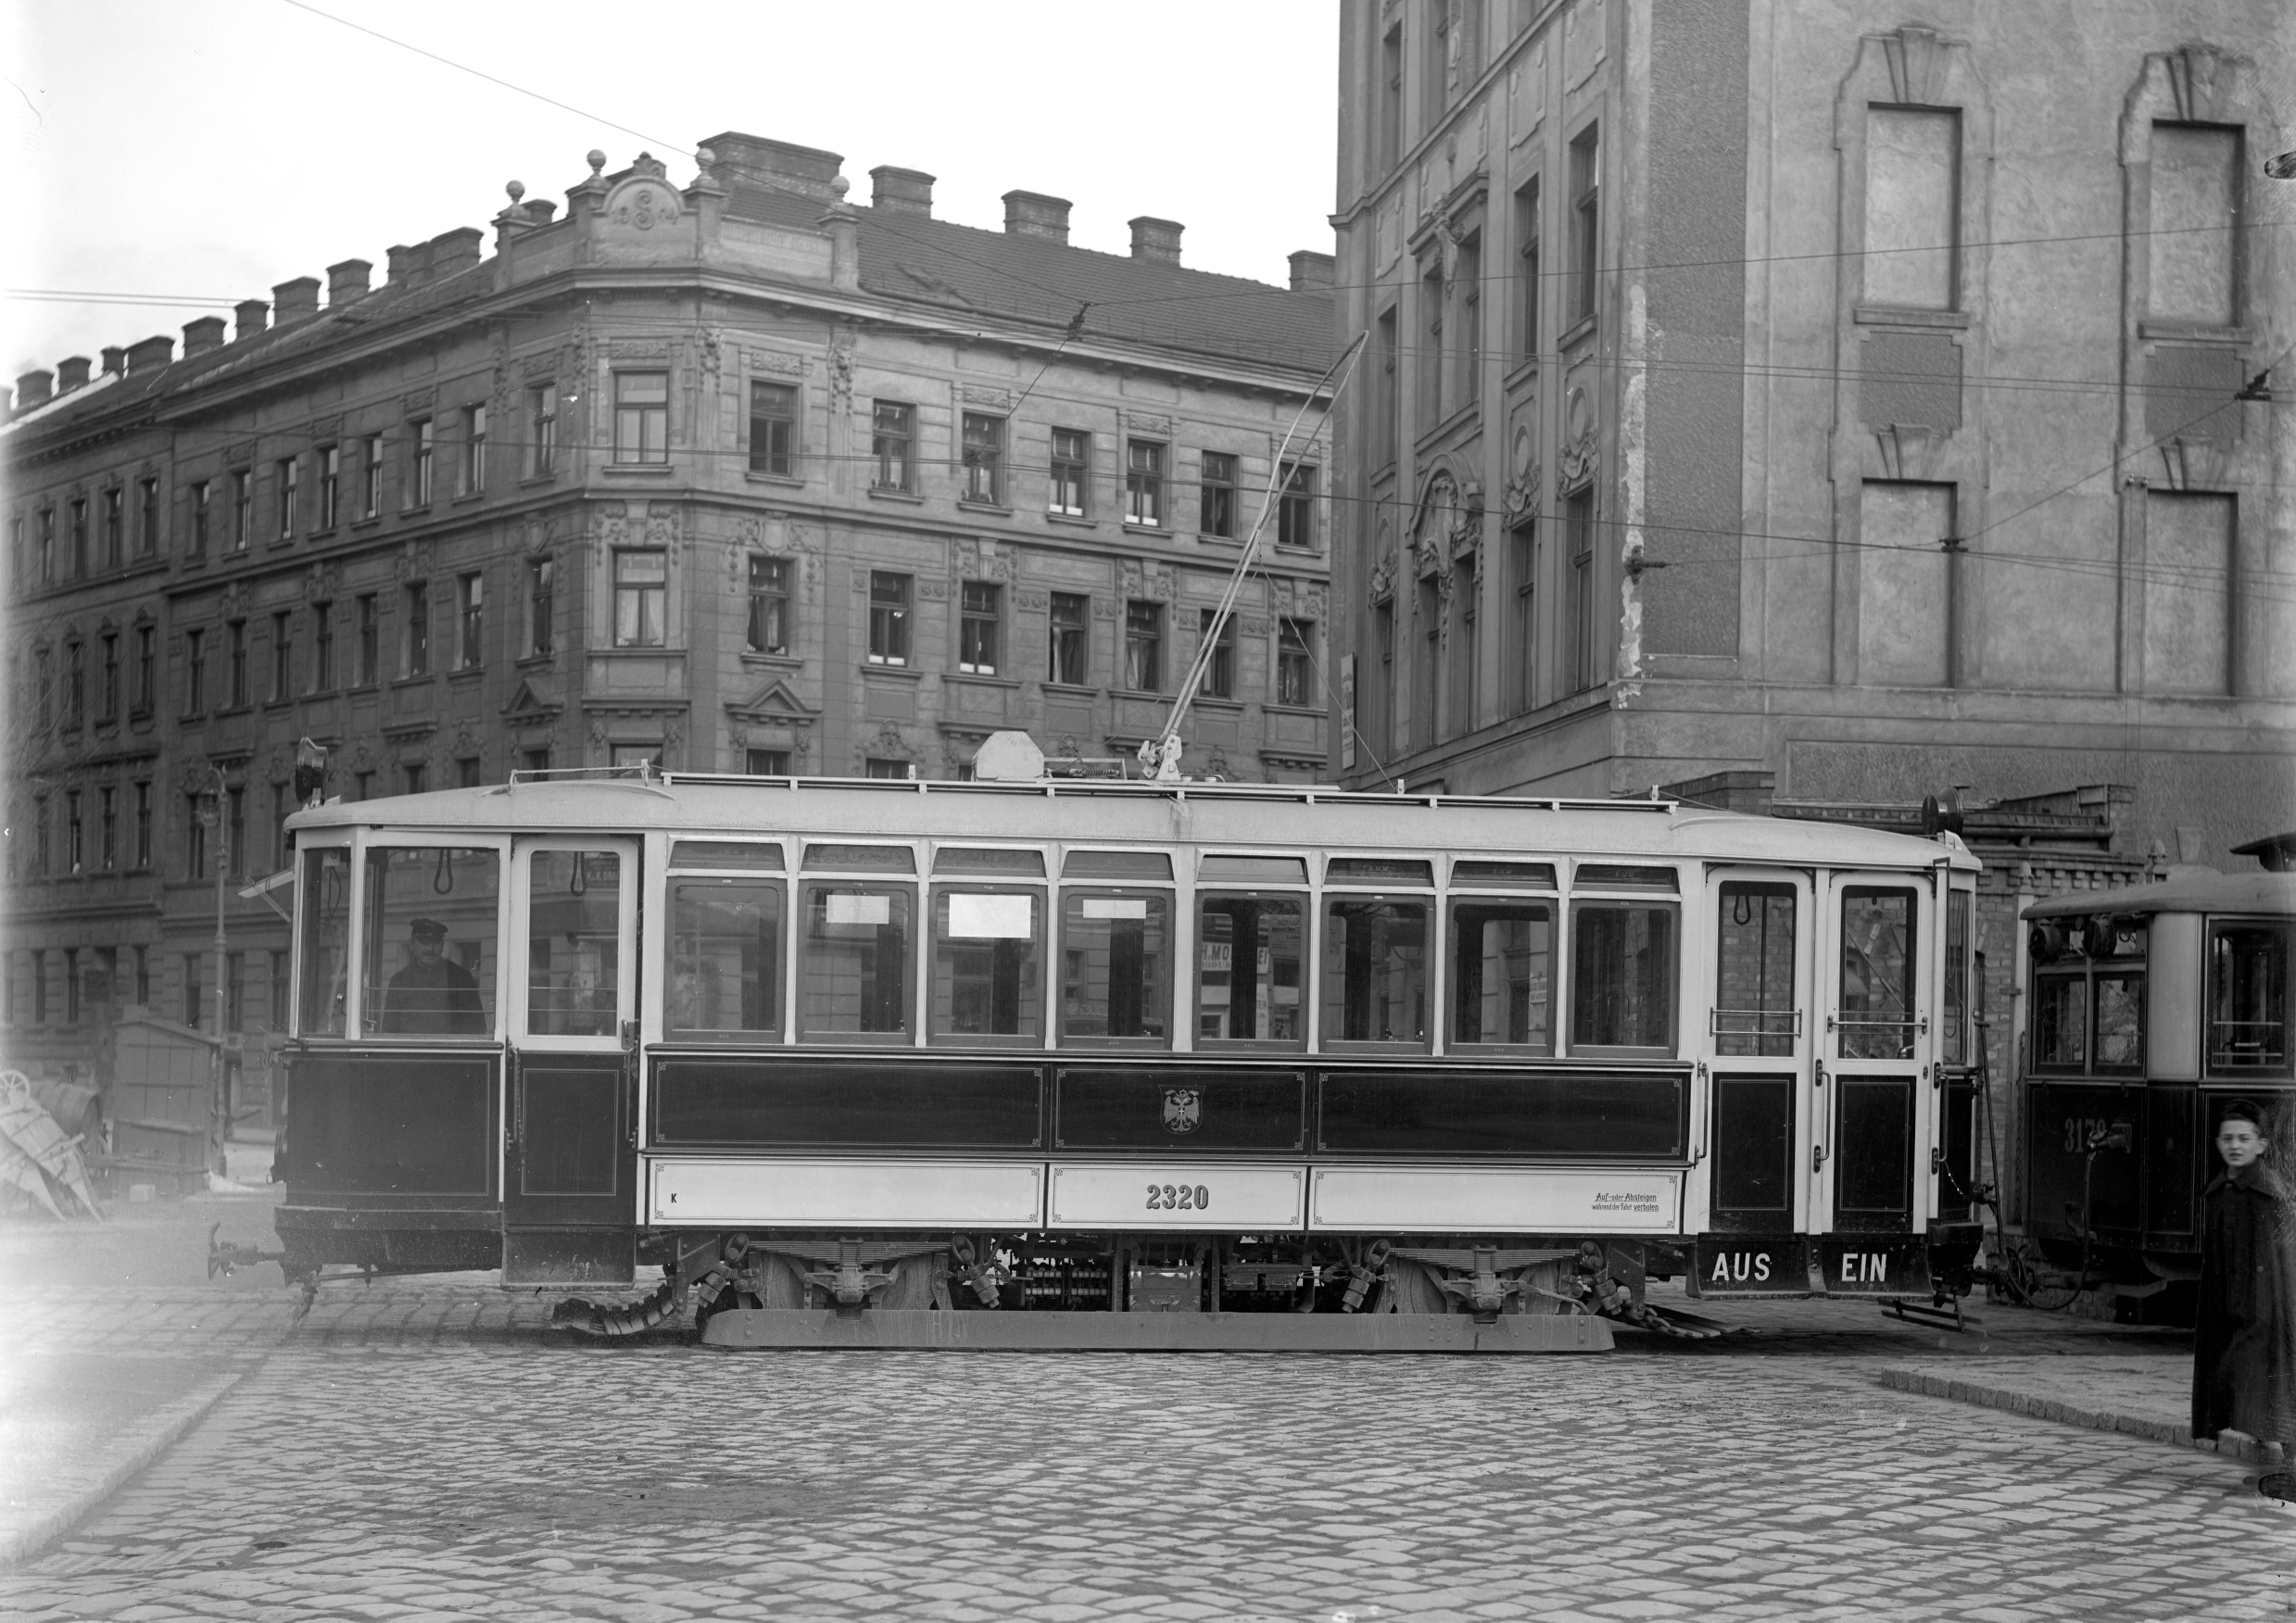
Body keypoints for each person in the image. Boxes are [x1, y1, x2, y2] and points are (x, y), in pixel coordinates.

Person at [2191, 1099, 2296, 1487]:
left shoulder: (2269, 1194)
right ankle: (2263, 1458)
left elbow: (2279, 1262)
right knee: (2243, 1384)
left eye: (2244, 1138)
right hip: (2231, 1306)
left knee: (2271, 1383)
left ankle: (2285, 1462)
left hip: (2268, 1309)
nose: (2236, 1145)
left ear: (2261, 1145)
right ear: (2219, 1144)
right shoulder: (2221, 1193)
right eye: (2229, 1139)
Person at [382, 917, 487, 1035]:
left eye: (436, 943)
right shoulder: (399, 981)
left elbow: (476, 1027)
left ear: (442, 945)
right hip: (411, 1051)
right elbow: (389, 1031)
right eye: (424, 943)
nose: (430, 949)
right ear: (412, 944)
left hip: (449, 1051)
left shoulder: (461, 978)